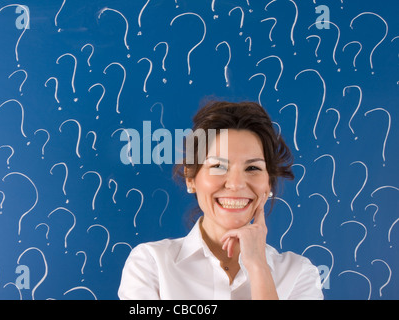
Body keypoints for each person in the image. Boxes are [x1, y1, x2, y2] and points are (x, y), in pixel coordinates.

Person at [118, 101, 324, 300]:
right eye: (218, 166)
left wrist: (259, 266)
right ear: (191, 178)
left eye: (253, 168)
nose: (235, 184)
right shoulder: (150, 263)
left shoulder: (299, 273)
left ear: (268, 184)